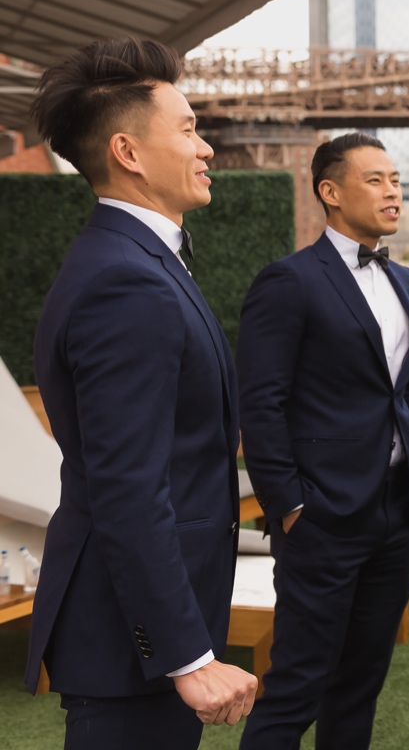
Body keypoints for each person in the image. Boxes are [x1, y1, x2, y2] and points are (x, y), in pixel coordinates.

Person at [26, 38, 259, 748]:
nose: (207, 148)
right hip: (131, 645)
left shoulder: (134, 260)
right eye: (189, 128)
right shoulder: (124, 280)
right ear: (128, 152)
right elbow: (129, 485)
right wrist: (188, 657)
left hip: (141, 631)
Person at [235, 133, 409, 749]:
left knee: (360, 684)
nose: (392, 191)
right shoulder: (288, 281)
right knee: (297, 685)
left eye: (396, 179)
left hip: (395, 514)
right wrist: (290, 506)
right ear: (330, 192)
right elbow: (261, 403)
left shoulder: (403, 278)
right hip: (322, 518)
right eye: (375, 179)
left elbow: (403, 391)